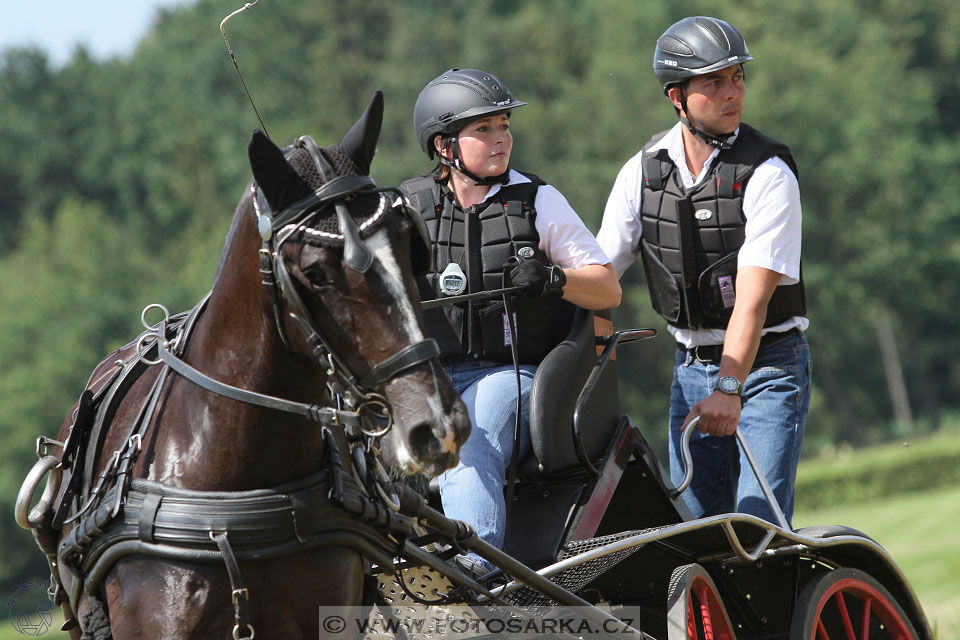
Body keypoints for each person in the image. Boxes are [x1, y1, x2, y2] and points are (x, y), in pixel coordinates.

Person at [401, 68, 621, 572]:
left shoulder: (538, 201)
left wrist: (553, 277)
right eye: (485, 129)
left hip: (513, 375)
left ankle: (474, 574)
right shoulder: (405, 208)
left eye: (504, 125)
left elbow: (608, 286)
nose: (502, 138)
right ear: (444, 146)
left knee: (466, 435)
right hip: (425, 381)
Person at [597, 17, 811, 527]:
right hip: (689, 369)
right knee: (693, 533)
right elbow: (600, 277)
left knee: (759, 527)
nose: (732, 93)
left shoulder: (769, 174)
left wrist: (730, 387)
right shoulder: (641, 173)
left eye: (737, 77)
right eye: (713, 82)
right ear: (677, 95)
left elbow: (753, 302)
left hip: (766, 368)